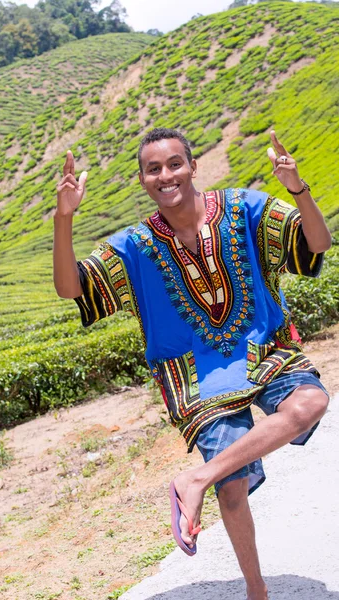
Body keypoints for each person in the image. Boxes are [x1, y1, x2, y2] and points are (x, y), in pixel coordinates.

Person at [53, 127, 331, 600]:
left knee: (310, 403)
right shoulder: (135, 245)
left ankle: (194, 478)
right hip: (195, 376)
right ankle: (256, 588)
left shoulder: (244, 208)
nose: (166, 175)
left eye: (174, 164)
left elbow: (318, 242)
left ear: (193, 166)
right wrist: (64, 218)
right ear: (142, 179)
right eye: (153, 169)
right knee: (233, 487)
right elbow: (70, 288)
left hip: (265, 351)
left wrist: (298, 189)